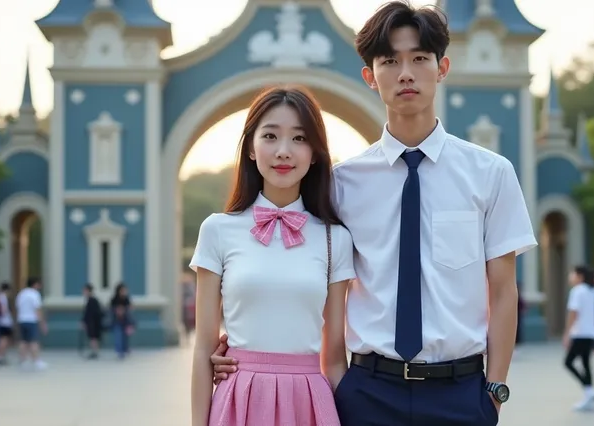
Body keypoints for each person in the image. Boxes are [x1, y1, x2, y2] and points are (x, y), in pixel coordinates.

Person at [209, 2, 537, 425]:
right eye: (390, 61)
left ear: (442, 68)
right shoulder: (341, 184)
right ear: (369, 76)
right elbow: (294, 261)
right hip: (368, 393)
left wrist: (493, 390)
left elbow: (503, 290)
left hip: (461, 393)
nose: (405, 73)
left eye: (419, 58)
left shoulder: (491, 173)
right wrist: (239, 349)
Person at [190, 86, 355, 426]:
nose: (283, 151)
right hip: (238, 398)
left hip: (310, 402)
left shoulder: (334, 238)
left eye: (299, 138)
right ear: (251, 149)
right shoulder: (217, 230)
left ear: (315, 153)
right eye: (270, 136)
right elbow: (203, 350)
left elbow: (335, 357)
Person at [562, 265, 594, 411]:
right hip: (591, 333)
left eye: (572, 274)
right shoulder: (591, 291)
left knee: (568, 362)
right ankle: (589, 394)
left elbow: (573, 314)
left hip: (580, 333)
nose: (570, 276)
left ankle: (588, 389)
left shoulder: (577, 291)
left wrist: (567, 333)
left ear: (579, 276)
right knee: (585, 363)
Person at [15, 277, 48, 370]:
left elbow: (17, 307)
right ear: (35, 284)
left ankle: (22, 360)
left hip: (21, 320)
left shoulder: (21, 294)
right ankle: (36, 361)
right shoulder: (35, 294)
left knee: (23, 341)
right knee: (34, 341)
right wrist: (42, 323)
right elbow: (37, 309)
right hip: (31, 320)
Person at [81, 284, 103, 360]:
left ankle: (95, 351)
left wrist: (85, 321)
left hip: (93, 323)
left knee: (93, 337)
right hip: (92, 323)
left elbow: (90, 313)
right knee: (92, 338)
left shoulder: (92, 300)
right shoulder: (90, 300)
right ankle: (94, 351)